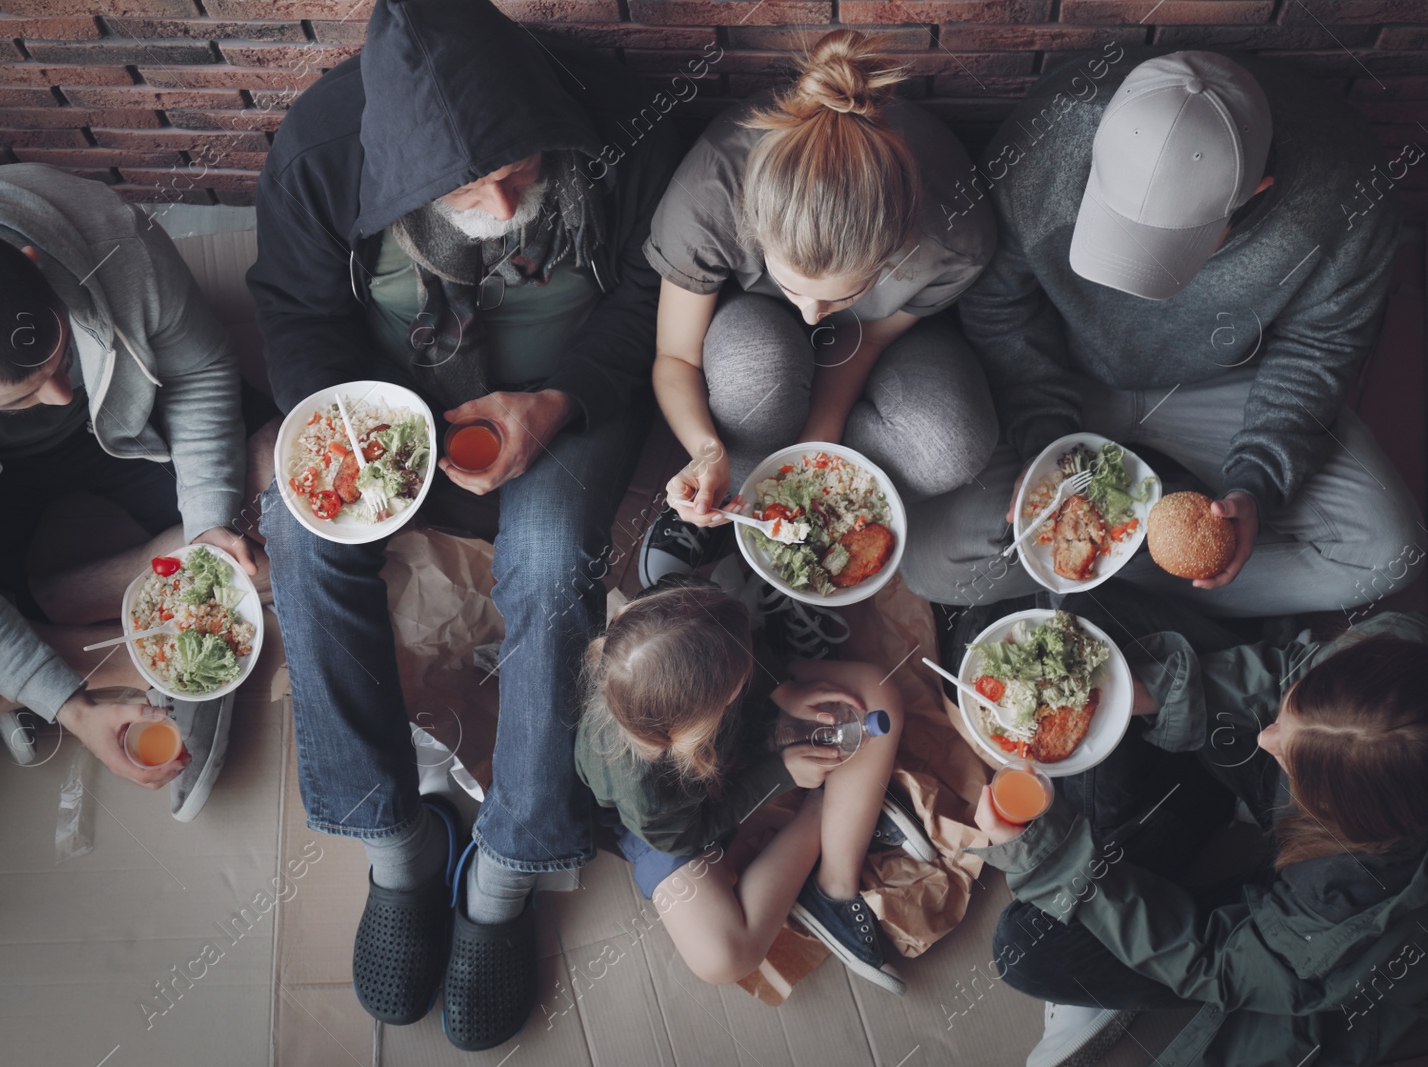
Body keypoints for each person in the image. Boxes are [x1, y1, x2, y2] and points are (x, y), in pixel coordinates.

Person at [246, 0, 679, 1049]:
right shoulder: (315, 151)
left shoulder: (625, 124)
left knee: (549, 554)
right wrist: (359, 428)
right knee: (297, 528)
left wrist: (563, 400)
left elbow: (653, 289)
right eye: (464, 183)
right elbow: (293, 311)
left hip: (564, 403)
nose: (502, 196)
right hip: (395, 409)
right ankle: (391, 834)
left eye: (520, 166)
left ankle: (513, 857)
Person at [902, 49, 1423, 617]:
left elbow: (1320, 348)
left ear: (1256, 192)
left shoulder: (1351, 192)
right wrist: (1045, 440)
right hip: (1066, 377)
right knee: (933, 561)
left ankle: (1126, 573)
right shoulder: (1044, 141)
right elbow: (999, 307)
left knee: (1389, 552)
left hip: (1230, 386)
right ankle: (1139, 565)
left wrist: (1257, 484)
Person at [0, 164, 269, 821]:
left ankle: (148, 600)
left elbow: (201, 369)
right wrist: (67, 704)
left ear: (31, 263)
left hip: (128, 419)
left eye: (58, 360)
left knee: (301, 469)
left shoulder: (109, 236)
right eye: (25, 393)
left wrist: (207, 523)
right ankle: (149, 652)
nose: (57, 395)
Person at [638, 28, 1000, 651]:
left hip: (881, 345)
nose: (812, 316)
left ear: (892, 255)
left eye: (839, 293)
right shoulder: (712, 191)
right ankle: (743, 495)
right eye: (793, 283)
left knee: (953, 447)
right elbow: (674, 355)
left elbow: (873, 338)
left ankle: (782, 506)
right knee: (758, 373)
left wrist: (820, 434)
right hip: (749, 331)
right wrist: (702, 450)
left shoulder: (955, 233)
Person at [968, 584, 1428, 1067]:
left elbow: (1215, 960)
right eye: (1291, 709)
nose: (1266, 735)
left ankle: (1142, 848)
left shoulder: (1349, 906)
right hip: (1273, 786)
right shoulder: (1398, 659)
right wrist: (1158, 695)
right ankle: (1183, 809)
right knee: (1097, 623)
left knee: (1026, 947)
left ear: (1342, 817)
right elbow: (1283, 674)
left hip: (1275, 921)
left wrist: (1055, 860)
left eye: (1289, 757)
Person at [576, 579, 936, 994]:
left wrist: (784, 688)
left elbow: (740, 643)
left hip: (729, 726)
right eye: (742, 675)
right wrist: (779, 775)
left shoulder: (670, 607)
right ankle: (828, 811)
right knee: (724, 957)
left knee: (877, 691)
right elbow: (686, 835)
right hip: (681, 823)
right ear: (706, 721)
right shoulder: (641, 790)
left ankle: (837, 882)